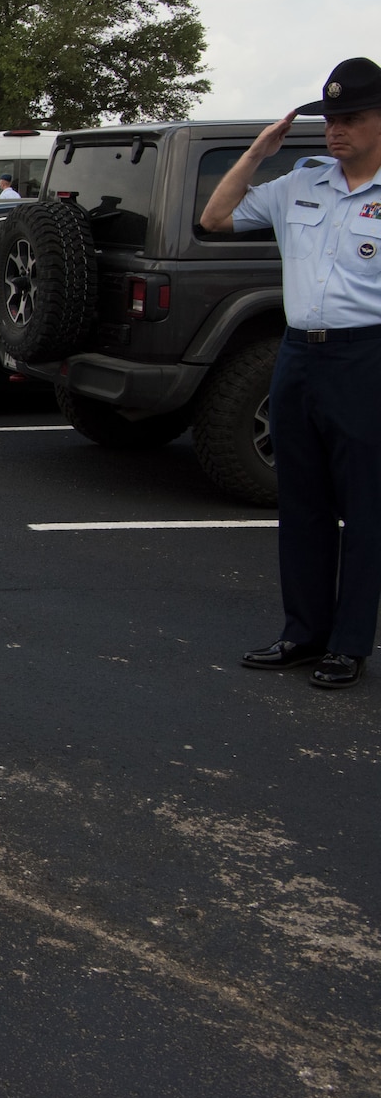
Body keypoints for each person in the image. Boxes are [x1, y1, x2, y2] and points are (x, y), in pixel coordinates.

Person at [204, 57, 381, 690]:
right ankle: (303, 631)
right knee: (301, 502)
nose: (337, 130)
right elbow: (215, 219)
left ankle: (349, 642)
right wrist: (256, 153)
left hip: (366, 357)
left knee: (365, 507)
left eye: (353, 118)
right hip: (299, 354)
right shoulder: (300, 183)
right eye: (331, 118)